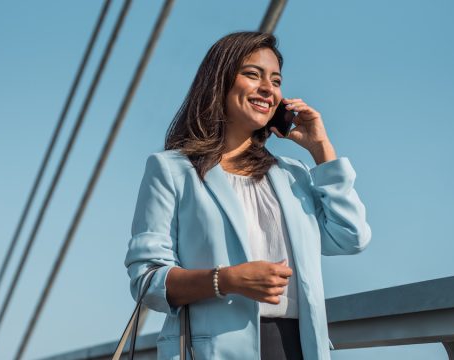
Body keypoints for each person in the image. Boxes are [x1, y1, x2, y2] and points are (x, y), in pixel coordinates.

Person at [124, 31, 371, 360]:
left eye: (276, 80)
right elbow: (146, 279)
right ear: (220, 83)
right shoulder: (171, 169)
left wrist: (321, 150)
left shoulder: (292, 174)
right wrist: (227, 279)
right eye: (253, 74)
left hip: (299, 349)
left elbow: (351, 236)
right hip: (213, 351)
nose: (268, 88)